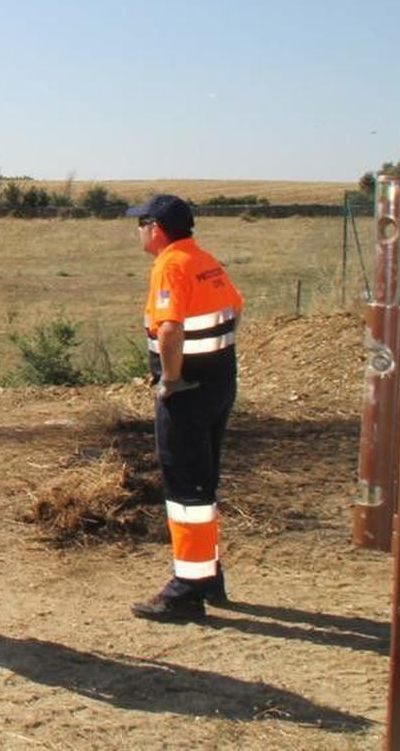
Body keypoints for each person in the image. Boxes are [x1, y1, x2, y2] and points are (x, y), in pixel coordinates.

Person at [125, 194, 243, 622]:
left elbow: (171, 329)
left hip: (188, 392)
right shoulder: (203, 259)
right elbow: (235, 308)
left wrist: (170, 380)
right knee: (204, 480)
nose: (137, 231)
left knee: (186, 490)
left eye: (141, 223)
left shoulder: (170, 266)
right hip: (219, 381)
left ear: (156, 228)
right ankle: (208, 573)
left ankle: (187, 589)